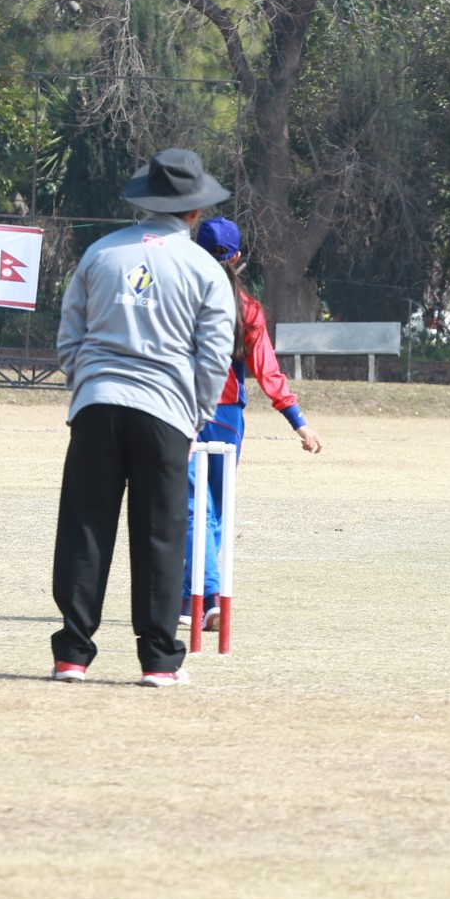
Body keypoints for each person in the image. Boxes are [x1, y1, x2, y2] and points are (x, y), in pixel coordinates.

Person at [51, 149, 237, 687]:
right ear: (195, 211)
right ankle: (158, 661)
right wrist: (196, 416)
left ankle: (72, 656)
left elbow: (70, 336)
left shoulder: (100, 253)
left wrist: (85, 386)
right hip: (166, 411)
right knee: (161, 535)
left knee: (85, 528)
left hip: (97, 404)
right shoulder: (204, 267)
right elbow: (214, 354)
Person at [181, 217, 323, 631]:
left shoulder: (180, 301)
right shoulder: (248, 309)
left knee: (192, 510)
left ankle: (201, 595)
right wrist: (298, 422)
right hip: (227, 420)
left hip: (183, 413)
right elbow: (268, 372)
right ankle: (199, 595)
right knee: (214, 513)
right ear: (238, 257)